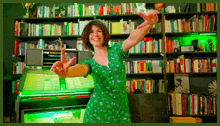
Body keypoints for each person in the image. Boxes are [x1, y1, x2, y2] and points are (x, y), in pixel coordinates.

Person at [50, 9, 160, 123]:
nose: (95, 35)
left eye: (99, 31)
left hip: (120, 113)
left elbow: (132, 38)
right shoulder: (89, 62)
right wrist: (65, 73)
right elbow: (80, 69)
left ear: (105, 34)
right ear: (87, 37)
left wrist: (149, 24)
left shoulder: (116, 50)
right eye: (91, 32)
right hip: (96, 115)